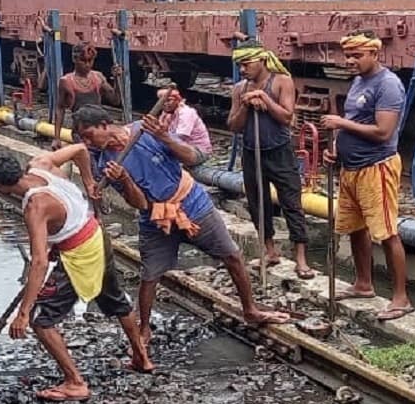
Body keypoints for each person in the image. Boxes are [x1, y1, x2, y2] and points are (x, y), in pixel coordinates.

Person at [72, 106, 290, 349]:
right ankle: (144, 328)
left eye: (89, 134)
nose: (88, 142)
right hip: (154, 217)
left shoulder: (144, 131)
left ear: (104, 124)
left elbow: (192, 158)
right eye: (83, 138)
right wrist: (124, 179)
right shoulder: (106, 165)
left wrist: (164, 136)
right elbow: (140, 203)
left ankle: (250, 310)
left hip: (191, 202)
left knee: (232, 256)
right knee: (150, 275)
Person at [0, 147, 146, 401]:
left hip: (79, 255)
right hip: (97, 236)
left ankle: (75, 382)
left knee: (41, 321)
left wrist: (23, 313)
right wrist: (88, 182)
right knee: (115, 299)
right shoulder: (41, 163)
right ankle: (141, 357)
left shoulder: (35, 206)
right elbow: (80, 150)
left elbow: (39, 262)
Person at [320, 32, 414, 321]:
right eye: (347, 56)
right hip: (351, 167)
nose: (350, 61)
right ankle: (364, 283)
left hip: (377, 166)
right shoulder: (359, 82)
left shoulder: (388, 85)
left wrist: (340, 122)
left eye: (357, 56)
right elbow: (356, 124)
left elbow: (383, 132)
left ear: (374, 54)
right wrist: (335, 148)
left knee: (386, 232)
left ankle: (401, 298)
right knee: (355, 227)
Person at [228, 40, 313, 279]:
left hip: (279, 150)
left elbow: (287, 117)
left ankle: (301, 258)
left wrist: (265, 100)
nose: (242, 70)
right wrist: (246, 105)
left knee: (291, 202)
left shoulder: (282, 82)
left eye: (246, 64)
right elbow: (233, 125)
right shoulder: (238, 89)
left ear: (262, 60)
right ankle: (270, 251)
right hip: (251, 151)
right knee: (258, 203)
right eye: (239, 65)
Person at [53, 43, 119, 150]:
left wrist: (117, 80)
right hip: (81, 134)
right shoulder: (66, 82)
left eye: (90, 61)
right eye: (83, 61)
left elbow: (115, 100)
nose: (87, 65)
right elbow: (60, 108)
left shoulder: (98, 78)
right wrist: (57, 137)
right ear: (75, 60)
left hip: (100, 131)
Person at [158, 86, 212, 167]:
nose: (165, 104)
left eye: (169, 100)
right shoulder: (166, 114)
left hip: (197, 151)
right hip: (181, 147)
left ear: (177, 100)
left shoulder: (186, 112)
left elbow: (180, 137)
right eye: (162, 101)